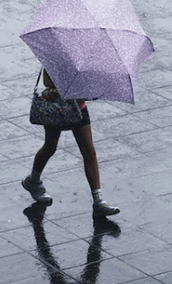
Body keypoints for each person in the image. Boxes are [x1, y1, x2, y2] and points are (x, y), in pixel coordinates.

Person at [22, 68, 120, 218]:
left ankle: (98, 201)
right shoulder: (56, 57)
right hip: (56, 107)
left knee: (89, 151)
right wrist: (64, 87)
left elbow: (89, 87)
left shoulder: (86, 61)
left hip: (79, 108)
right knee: (50, 147)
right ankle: (33, 180)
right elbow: (47, 81)